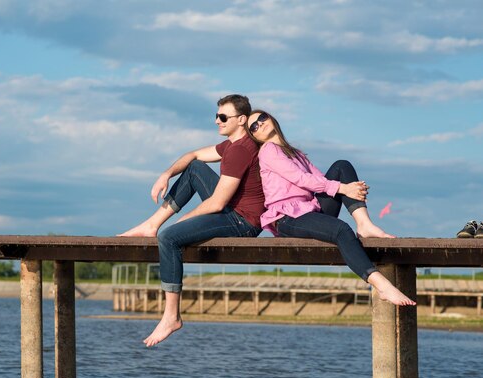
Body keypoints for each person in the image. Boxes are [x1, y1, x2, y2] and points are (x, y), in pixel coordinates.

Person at [119, 94, 265, 346]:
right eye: (216, 115)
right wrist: (166, 174)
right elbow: (193, 154)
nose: (217, 121)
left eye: (222, 117)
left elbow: (217, 203)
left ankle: (171, 317)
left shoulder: (241, 150)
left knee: (170, 237)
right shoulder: (231, 145)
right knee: (195, 168)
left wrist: (182, 222)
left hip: (243, 222)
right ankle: (151, 224)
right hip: (232, 209)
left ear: (241, 120)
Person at [245, 110, 416, 306]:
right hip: (288, 217)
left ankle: (364, 224)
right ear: (254, 136)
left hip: (310, 209)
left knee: (341, 166)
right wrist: (345, 188)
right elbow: (300, 179)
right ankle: (382, 286)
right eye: (254, 127)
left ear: (271, 118)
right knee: (341, 229)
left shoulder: (296, 153)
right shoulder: (267, 150)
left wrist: (347, 188)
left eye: (262, 118)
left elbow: (320, 180)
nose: (260, 124)